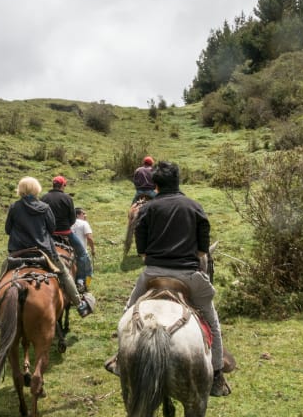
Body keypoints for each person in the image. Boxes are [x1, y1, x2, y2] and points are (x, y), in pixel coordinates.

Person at [107, 161, 230, 397]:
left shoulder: (146, 210)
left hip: (153, 274)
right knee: (212, 319)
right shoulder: (195, 207)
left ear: (155, 184)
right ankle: (216, 374)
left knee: (128, 311)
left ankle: (121, 360)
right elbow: (203, 252)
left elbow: (141, 252)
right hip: (188, 276)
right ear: (178, 180)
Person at [0, 176, 92, 322]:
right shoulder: (45, 208)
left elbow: (8, 229)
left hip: (19, 252)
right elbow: (51, 229)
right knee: (64, 273)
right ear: (36, 189)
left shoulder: (14, 207)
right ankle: (79, 304)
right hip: (43, 251)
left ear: (20, 190)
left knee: (4, 273)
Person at [40, 176, 93, 288]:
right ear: (63, 185)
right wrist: (66, 226)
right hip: (65, 232)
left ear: (53, 185)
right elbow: (72, 218)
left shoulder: (43, 198)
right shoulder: (67, 198)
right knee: (82, 254)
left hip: (49, 234)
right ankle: (80, 280)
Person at [71, 207, 95, 292]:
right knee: (88, 273)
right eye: (83, 213)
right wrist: (93, 249)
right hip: (82, 252)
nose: (85, 215)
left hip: (70, 253)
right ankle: (86, 287)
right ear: (77, 215)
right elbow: (89, 238)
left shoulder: (69, 224)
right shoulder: (84, 223)